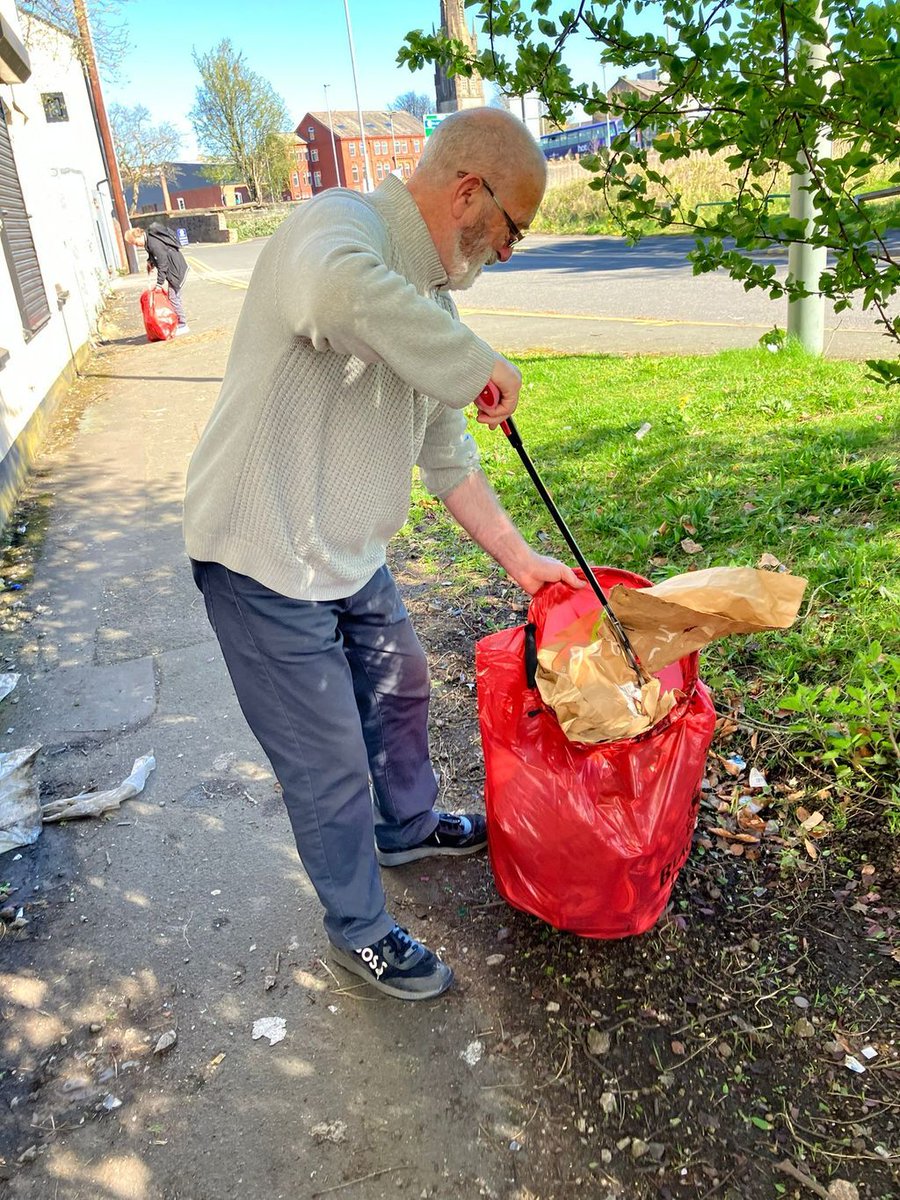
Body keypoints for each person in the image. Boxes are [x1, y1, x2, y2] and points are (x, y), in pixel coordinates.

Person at [183, 107, 582, 1001]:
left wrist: (525, 564)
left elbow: (450, 458)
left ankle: (405, 825)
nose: (511, 251)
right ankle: (358, 929)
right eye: (513, 227)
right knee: (325, 764)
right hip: (261, 555)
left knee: (402, 680)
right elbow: (339, 295)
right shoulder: (338, 224)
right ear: (468, 192)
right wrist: (475, 356)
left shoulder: (429, 303)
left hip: (346, 552)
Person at [125, 224, 190, 335]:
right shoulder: (149, 241)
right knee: (174, 297)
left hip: (176, 270)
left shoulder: (153, 243)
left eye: (135, 243)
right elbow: (156, 256)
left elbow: (163, 263)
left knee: (174, 298)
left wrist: (159, 284)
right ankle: (180, 323)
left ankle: (182, 324)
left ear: (139, 236)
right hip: (176, 268)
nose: (136, 246)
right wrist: (150, 261)